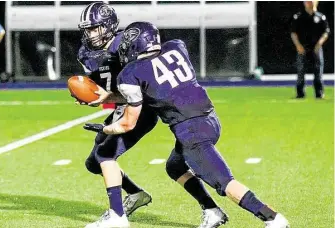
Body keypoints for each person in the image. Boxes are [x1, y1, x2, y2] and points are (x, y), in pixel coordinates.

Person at [84, 22, 290, 228]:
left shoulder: (131, 73)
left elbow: (127, 123)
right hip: (210, 119)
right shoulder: (176, 47)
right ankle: (212, 211)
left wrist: (105, 129)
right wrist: (108, 96)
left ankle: (272, 218)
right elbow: (160, 81)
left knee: (225, 183)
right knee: (175, 166)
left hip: (190, 132)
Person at [78, 3, 228, 228]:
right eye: (87, 29)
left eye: (94, 28)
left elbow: (143, 89)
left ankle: (117, 216)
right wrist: (95, 95)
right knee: (93, 162)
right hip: (124, 105)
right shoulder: (86, 53)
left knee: (105, 154)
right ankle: (137, 194)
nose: (89, 34)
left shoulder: (127, 45)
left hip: (143, 109)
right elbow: (107, 88)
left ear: (109, 26)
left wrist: (107, 98)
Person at [291, 0, 330, 99]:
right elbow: (293, 33)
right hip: (303, 47)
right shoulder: (299, 17)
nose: (310, 3)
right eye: (307, 1)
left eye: (312, 1)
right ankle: (300, 93)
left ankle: (319, 92)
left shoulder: (321, 17)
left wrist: (319, 43)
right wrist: (298, 46)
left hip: (316, 47)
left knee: (318, 70)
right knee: (301, 70)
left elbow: (326, 32)